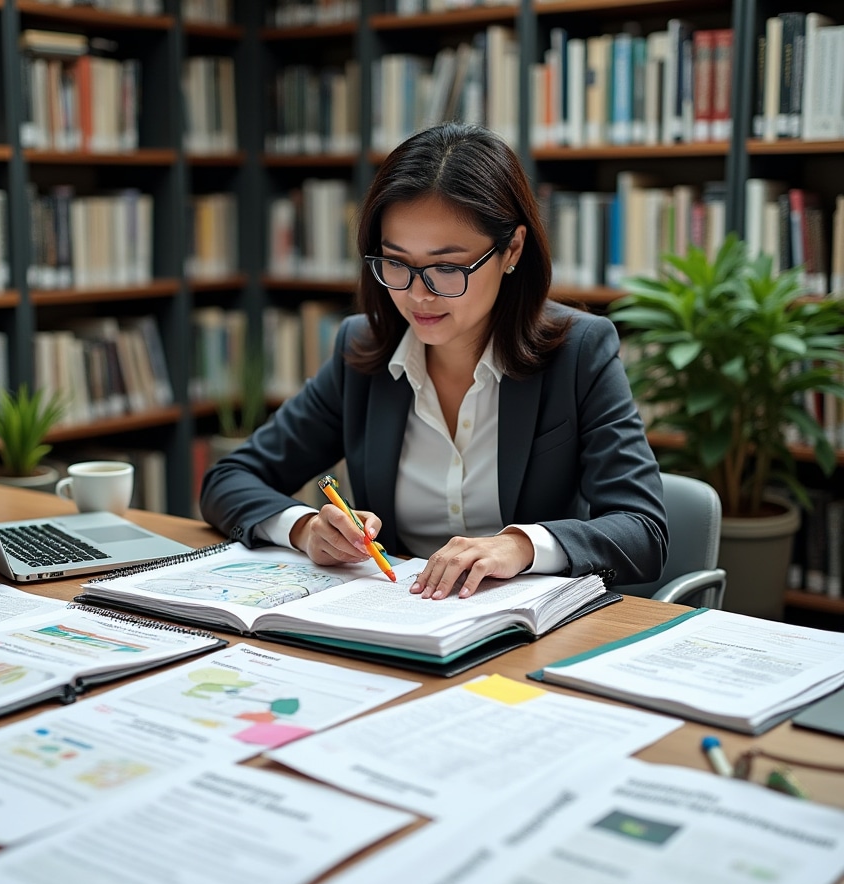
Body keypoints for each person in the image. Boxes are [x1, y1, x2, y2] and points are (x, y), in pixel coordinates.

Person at [200, 122, 668, 599]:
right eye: (396, 262)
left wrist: (521, 545)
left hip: (524, 629)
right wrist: (303, 529)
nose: (417, 295)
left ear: (512, 249)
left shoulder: (580, 351)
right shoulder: (361, 350)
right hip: (400, 616)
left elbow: (642, 530)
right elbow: (229, 479)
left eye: (447, 267)